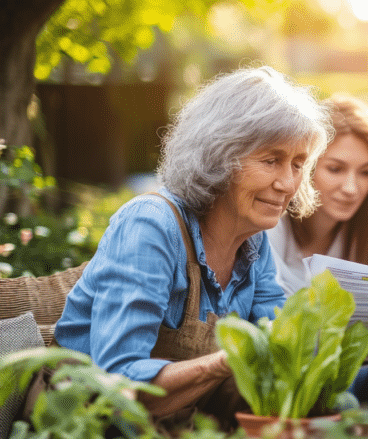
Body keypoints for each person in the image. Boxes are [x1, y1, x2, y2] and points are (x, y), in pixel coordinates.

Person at [53, 66, 332, 431]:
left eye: (298, 164)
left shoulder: (253, 242)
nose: (287, 183)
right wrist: (221, 362)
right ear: (219, 155)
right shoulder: (151, 225)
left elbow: (281, 345)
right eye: (271, 160)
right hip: (84, 422)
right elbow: (115, 385)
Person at [266, 94, 368, 418]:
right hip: (285, 386)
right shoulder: (272, 223)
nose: (351, 188)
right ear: (307, 166)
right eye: (335, 168)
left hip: (343, 379)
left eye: (365, 173)